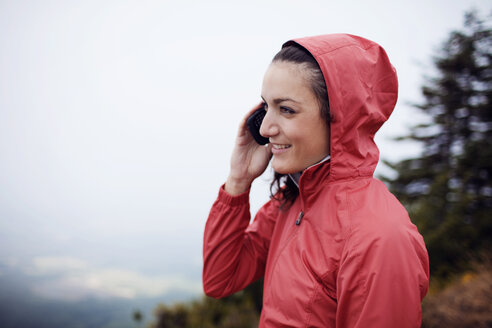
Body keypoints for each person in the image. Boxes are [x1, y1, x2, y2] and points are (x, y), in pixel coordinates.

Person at [202, 34, 430, 327]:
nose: (268, 127)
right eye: (265, 107)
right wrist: (238, 180)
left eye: (286, 109)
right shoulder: (295, 199)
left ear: (339, 118)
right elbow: (220, 279)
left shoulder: (379, 239)